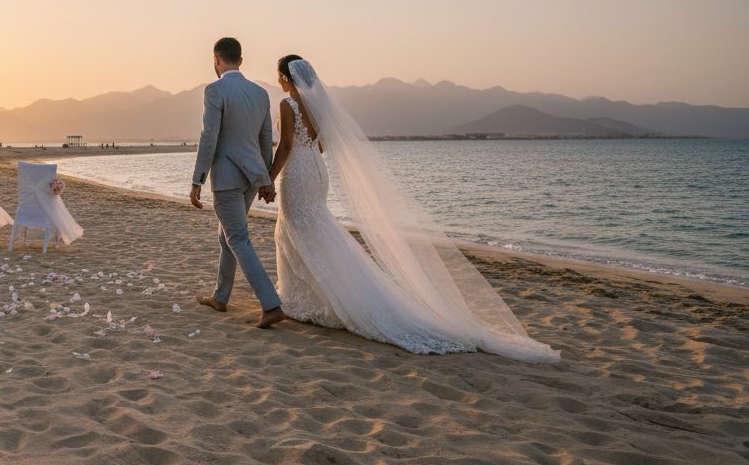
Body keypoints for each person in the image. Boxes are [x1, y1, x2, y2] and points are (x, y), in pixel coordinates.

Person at [269, 55, 559, 362]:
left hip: (298, 172)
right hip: (316, 171)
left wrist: (268, 177)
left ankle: (303, 300)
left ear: (285, 78)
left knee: (297, 227)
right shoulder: (319, 106)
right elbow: (323, 145)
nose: (278, 82)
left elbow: (286, 145)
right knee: (315, 229)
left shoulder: (289, 105)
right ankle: (308, 299)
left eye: (278, 77)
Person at [190, 37, 285, 329]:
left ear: (216, 60)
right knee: (227, 236)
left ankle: (270, 305)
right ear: (240, 61)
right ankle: (220, 297)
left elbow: (210, 137)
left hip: (228, 179)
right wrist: (264, 178)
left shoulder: (215, 90)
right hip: (251, 178)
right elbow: (265, 140)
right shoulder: (259, 93)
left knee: (237, 239)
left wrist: (197, 180)